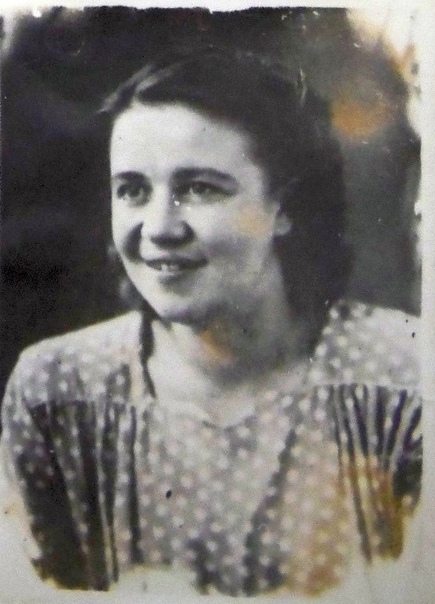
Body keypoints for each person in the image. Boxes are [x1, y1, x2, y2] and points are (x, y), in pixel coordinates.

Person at [1, 48, 421, 598]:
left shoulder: (400, 380)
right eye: (132, 190)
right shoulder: (57, 392)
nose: (159, 228)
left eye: (200, 188)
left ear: (284, 206)